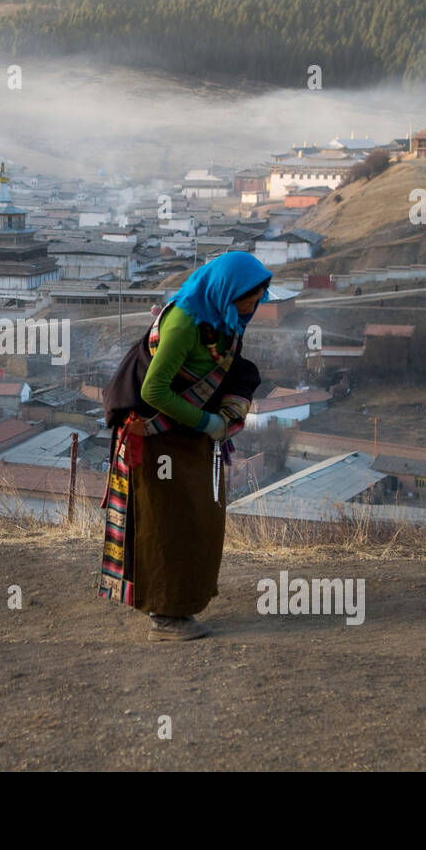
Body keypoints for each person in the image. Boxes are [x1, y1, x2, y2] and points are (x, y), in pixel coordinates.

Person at [99, 252, 271, 641]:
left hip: (186, 435)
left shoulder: (224, 321)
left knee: (199, 518)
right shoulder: (184, 323)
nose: (251, 307)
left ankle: (183, 604)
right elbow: (154, 390)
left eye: (257, 299)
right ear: (226, 291)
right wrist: (209, 423)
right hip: (155, 436)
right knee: (167, 524)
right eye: (247, 299)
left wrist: (227, 411)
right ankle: (166, 616)